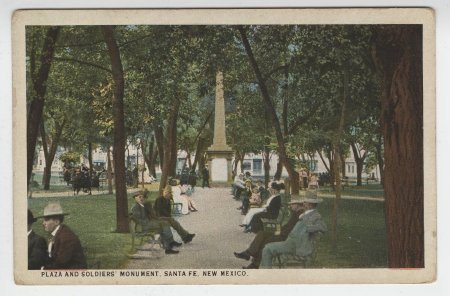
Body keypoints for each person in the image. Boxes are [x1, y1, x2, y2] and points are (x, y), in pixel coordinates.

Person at [233, 195, 306, 269]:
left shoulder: (300, 215)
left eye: (292, 204)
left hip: (286, 237)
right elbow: (288, 226)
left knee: (265, 242)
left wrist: (278, 232)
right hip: (283, 234)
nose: (291, 206)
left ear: (298, 205)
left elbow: (291, 230)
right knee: (262, 233)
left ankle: (253, 264)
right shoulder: (296, 213)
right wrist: (278, 230)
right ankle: (248, 254)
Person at [259, 191, 327, 268]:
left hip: (296, 246)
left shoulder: (316, 215)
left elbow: (323, 228)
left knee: (267, 249)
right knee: (267, 247)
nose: (303, 203)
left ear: (309, 204)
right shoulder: (306, 213)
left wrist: (306, 224)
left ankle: (266, 275)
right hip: (291, 242)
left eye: (305, 202)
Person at [37, 202, 87, 269]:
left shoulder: (66, 237)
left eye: (46, 220)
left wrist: (42, 269)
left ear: (56, 222)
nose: (43, 223)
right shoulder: (59, 233)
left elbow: (60, 263)